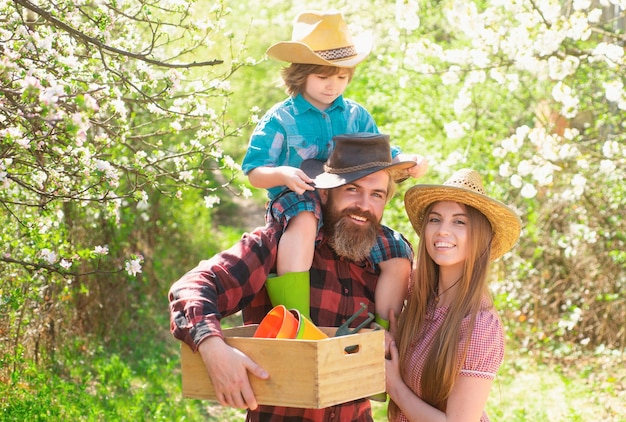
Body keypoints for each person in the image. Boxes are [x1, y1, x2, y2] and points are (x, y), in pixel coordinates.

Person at [169, 133, 416, 421]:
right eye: (352, 189)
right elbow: (191, 288)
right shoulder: (283, 243)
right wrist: (213, 349)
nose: (364, 205)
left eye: (377, 195)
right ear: (325, 192)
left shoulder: (385, 263)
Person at [242, 10, 428, 327]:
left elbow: (379, 152)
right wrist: (284, 175)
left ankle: (384, 332)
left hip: (344, 202)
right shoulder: (281, 119)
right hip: (296, 197)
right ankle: (296, 319)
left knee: (397, 250)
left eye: (341, 77)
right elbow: (254, 170)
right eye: (323, 77)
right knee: (304, 219)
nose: (333, 86)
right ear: (300, 74)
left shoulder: (355, 115)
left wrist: (408, 159)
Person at [385, 168, 522, 421]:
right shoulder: (420, 295)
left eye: (459, 222)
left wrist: (394, 386)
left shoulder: (479, 326)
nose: (442, 231)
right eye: (435, 219)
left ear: (480, 237)